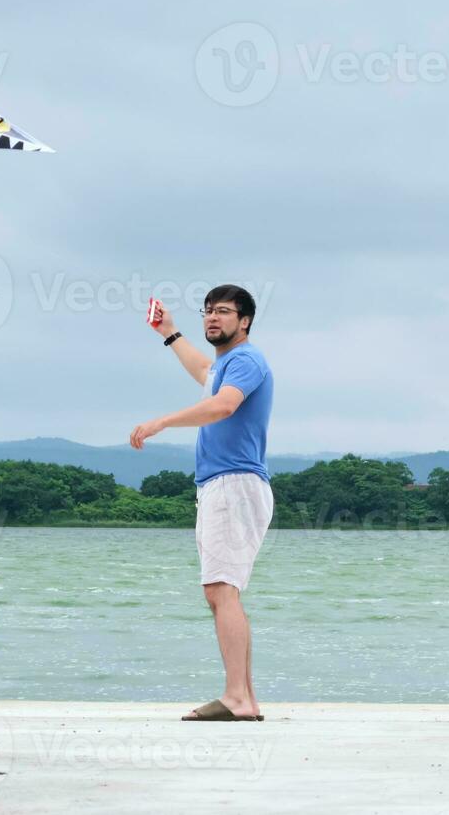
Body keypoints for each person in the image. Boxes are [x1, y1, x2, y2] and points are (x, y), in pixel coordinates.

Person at [130, 285, 274, 722]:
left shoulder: (246, 360)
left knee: (219, 590)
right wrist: (169, 333)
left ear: (244, 320)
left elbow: (223, 405)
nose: (213, 318)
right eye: (208, 311)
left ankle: (236, 697)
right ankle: (244, 697)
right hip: (227, 486)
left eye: (224, 312)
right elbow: (205, 373)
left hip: (233, 486)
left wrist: (162, 421)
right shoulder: (229, 364)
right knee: (223, 591)